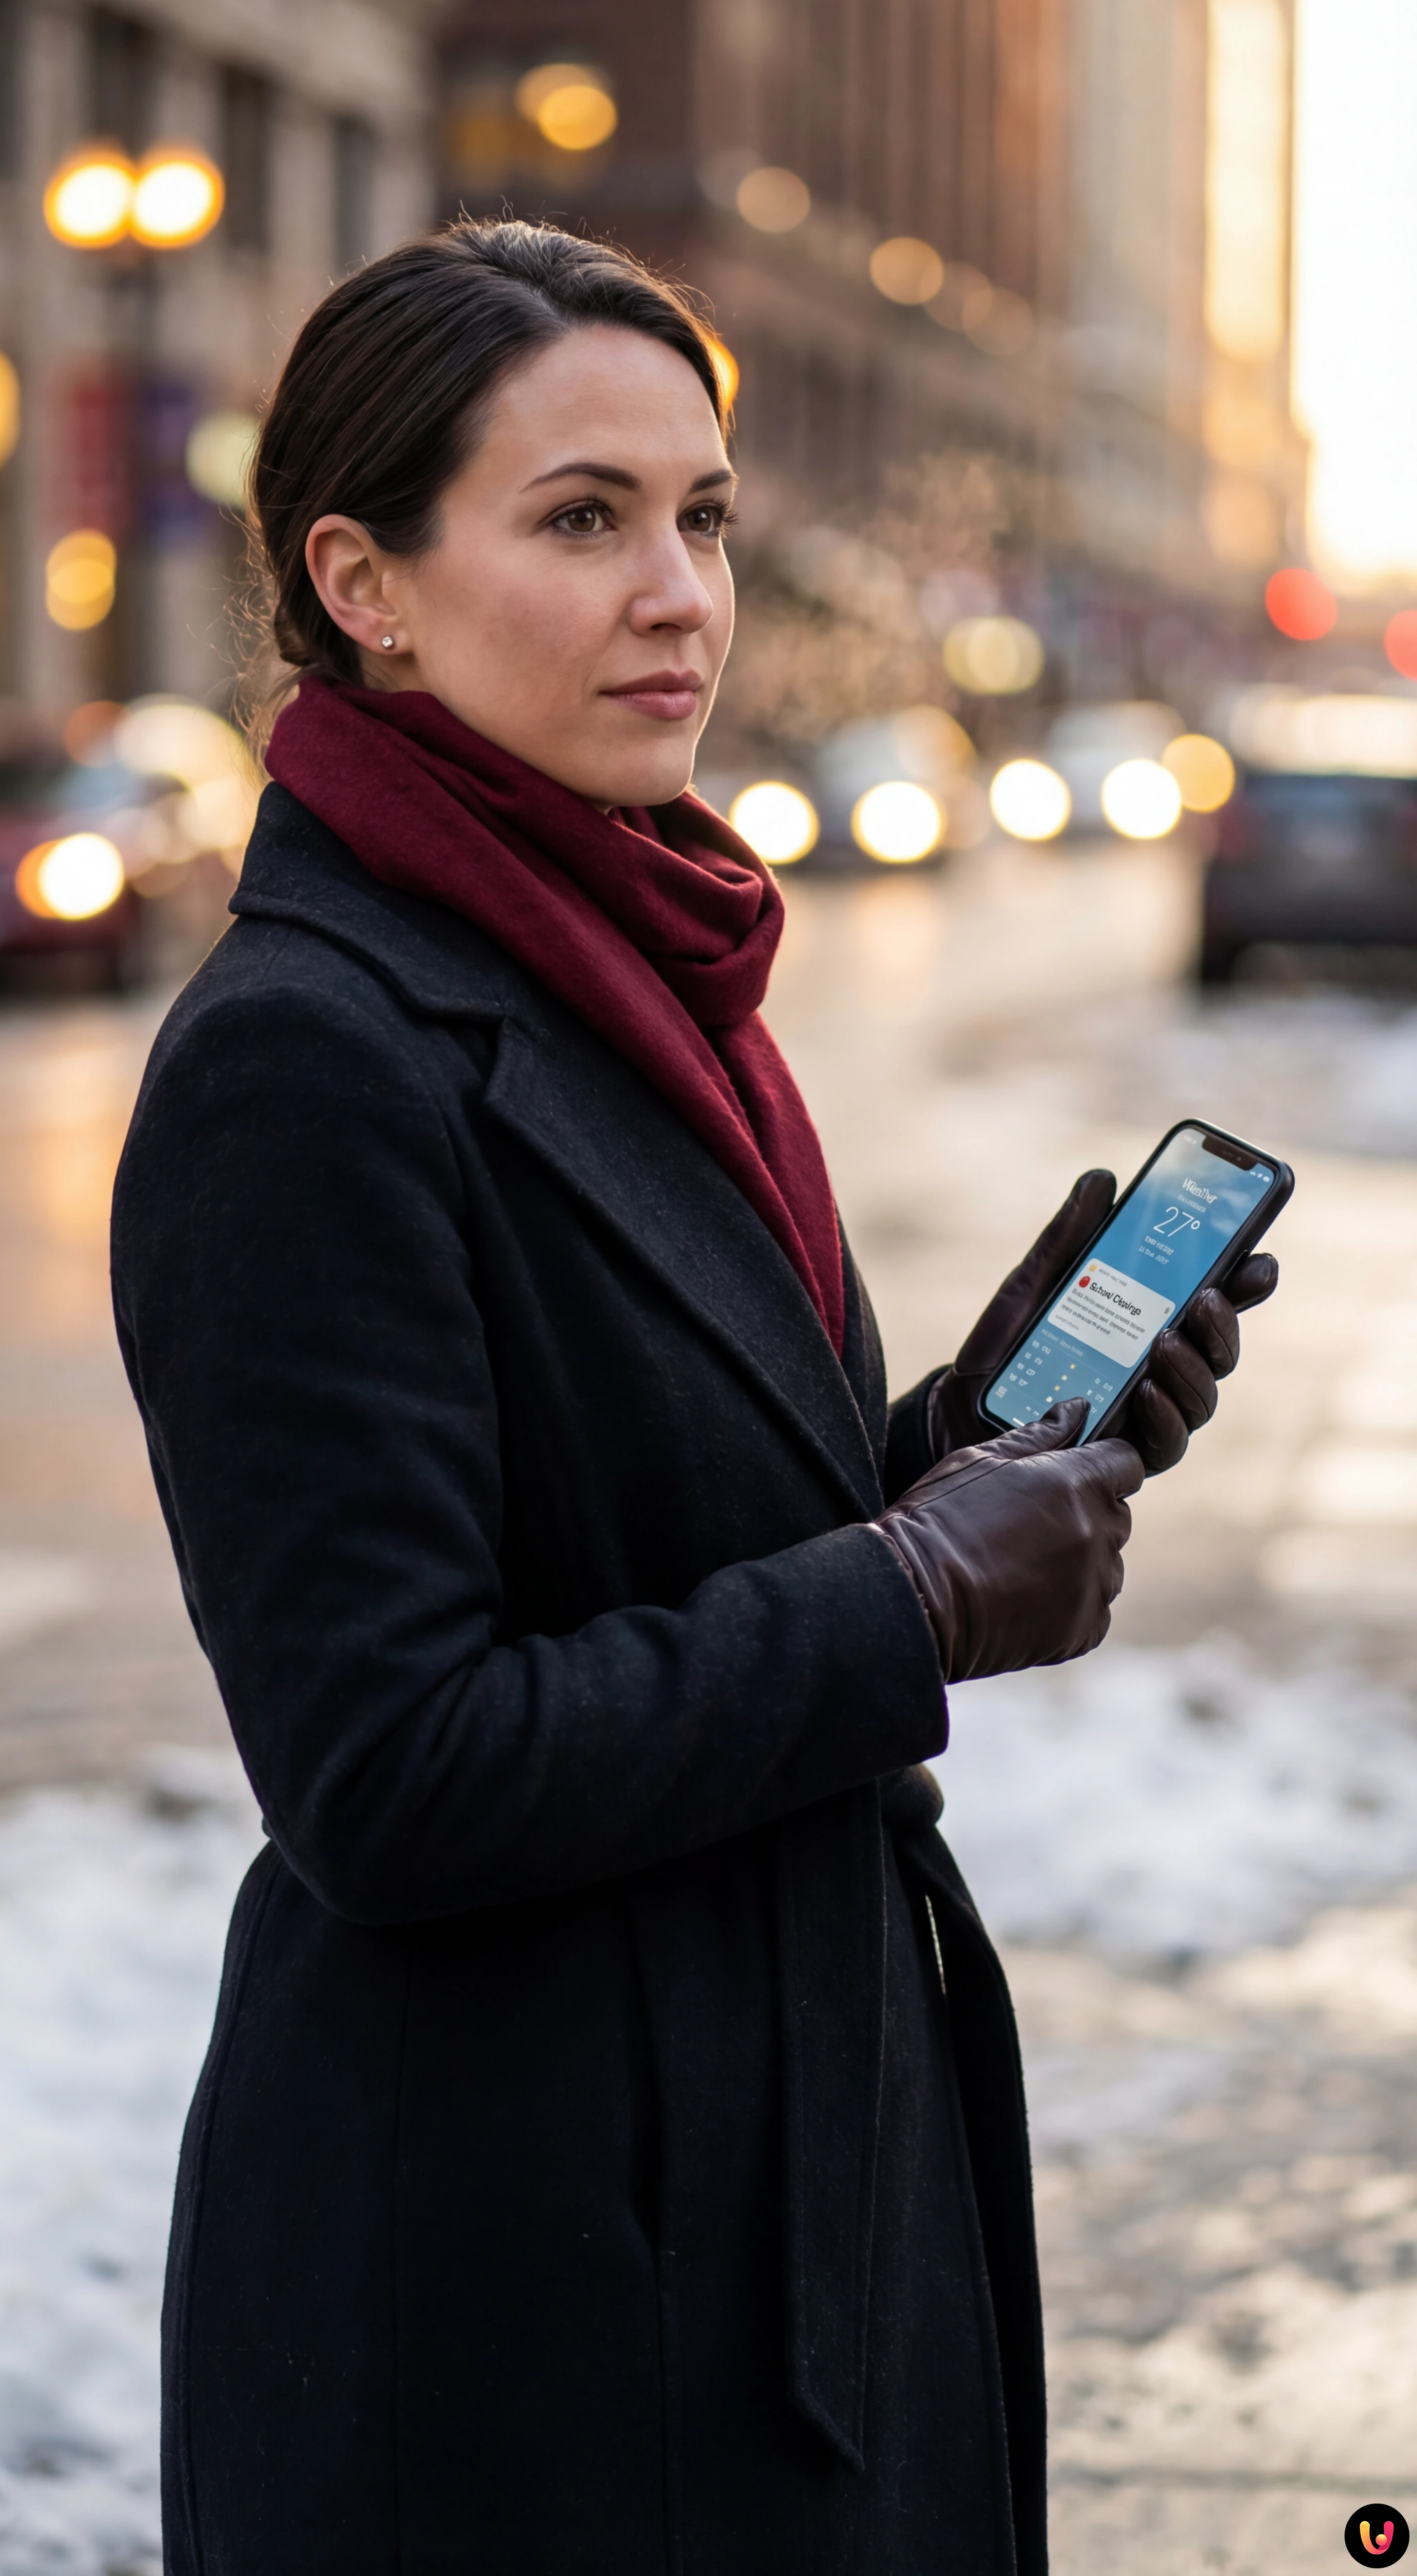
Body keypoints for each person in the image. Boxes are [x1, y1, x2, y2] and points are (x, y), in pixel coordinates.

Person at [110, 220, 1277, 2576]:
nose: (686, 595)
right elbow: (389, 1767)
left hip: (774, 2174)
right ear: (367, 582)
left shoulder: (643, 962)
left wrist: (967, 1443)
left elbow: (673, 1538)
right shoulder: (308, 1059)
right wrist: (910, 1595)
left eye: (706, 515)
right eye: (581, 517)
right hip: (524, 2284)